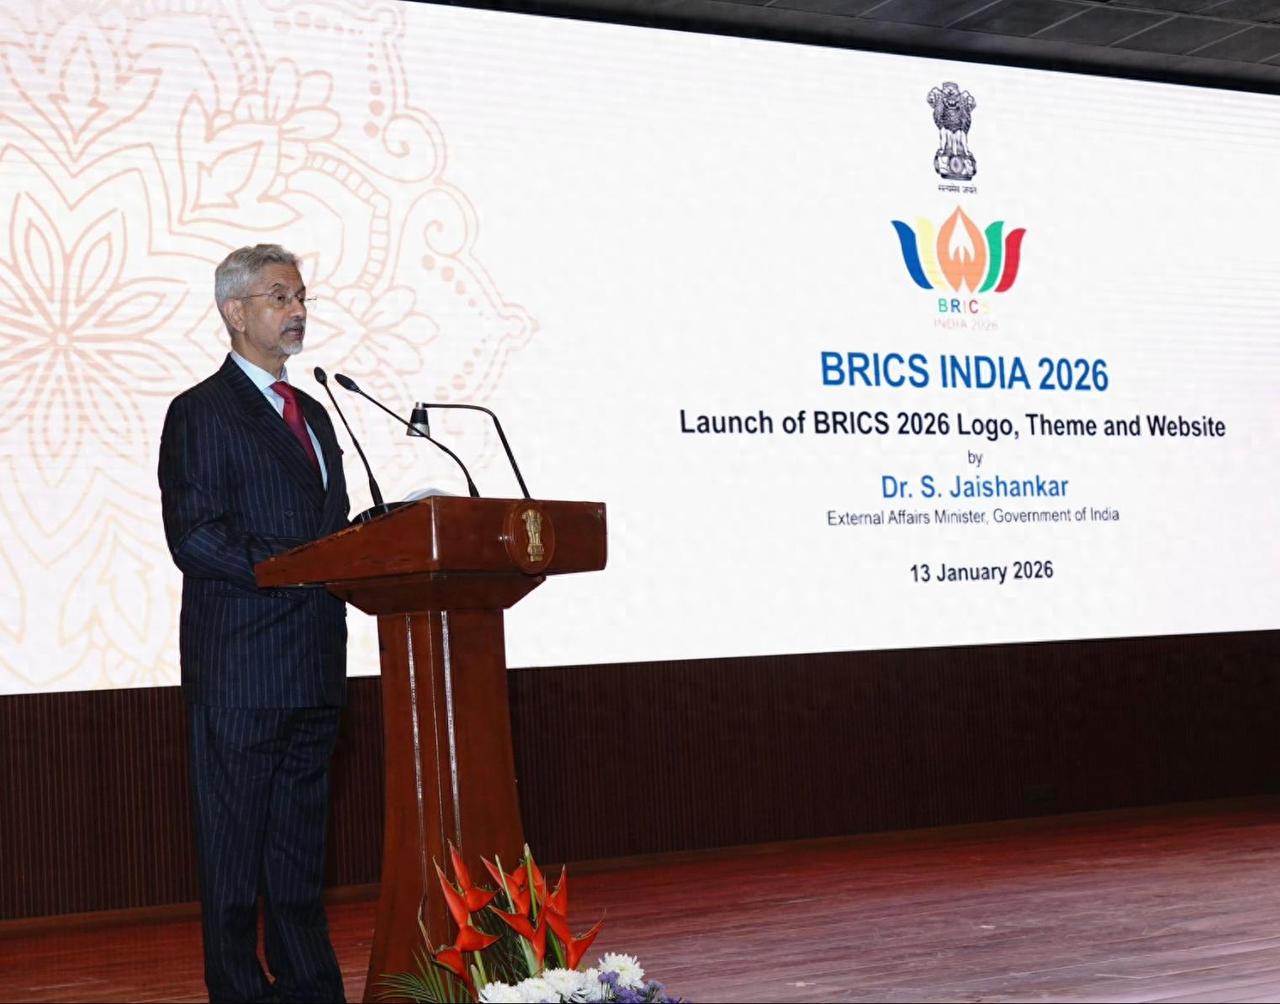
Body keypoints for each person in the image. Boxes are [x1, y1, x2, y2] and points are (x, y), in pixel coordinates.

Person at [158, 244, 350, 1003]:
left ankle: (310, 987)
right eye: (279, 297)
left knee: (300, 854)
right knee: (234, 857)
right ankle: (240, 992)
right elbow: (197, 538)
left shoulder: (319, 413)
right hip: (241, 668)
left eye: (301, 297)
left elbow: (332, 531)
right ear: (235, 312)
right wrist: (300, 564)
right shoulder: (201, 411)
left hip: (314, 662)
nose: (297, 310)